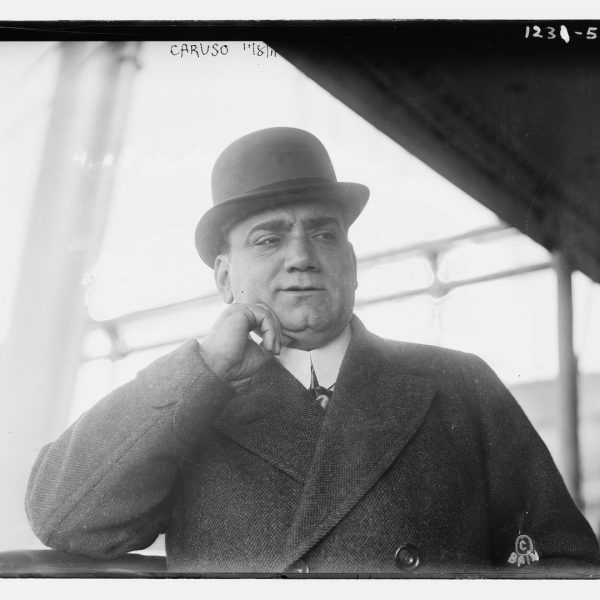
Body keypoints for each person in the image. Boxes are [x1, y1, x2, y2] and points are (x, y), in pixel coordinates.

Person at [25, 127, 600, 575]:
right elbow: (65, 519)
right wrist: (205, 368)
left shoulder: (458, 383)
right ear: (225, 279)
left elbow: (562, 566)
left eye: (324, 233)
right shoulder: (191, 400)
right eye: (269, 238)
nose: (302, 255)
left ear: (351, 263)